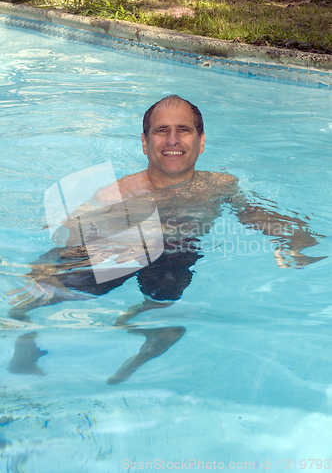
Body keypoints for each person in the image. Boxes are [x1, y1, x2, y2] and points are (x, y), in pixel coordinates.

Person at [7, 95, 326, 384]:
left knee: (174, 255)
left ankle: (158, 325)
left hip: (173, 259)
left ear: (201, 142)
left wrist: (293, 237)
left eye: (183, 130)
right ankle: (25, 343)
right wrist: (119, 234)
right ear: (144, 143)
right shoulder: (119, 193)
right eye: (161, 131)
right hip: (115, 256)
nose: (173, 140)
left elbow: (251, 212)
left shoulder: (220, 185)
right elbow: (68, 232)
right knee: (31, 298)